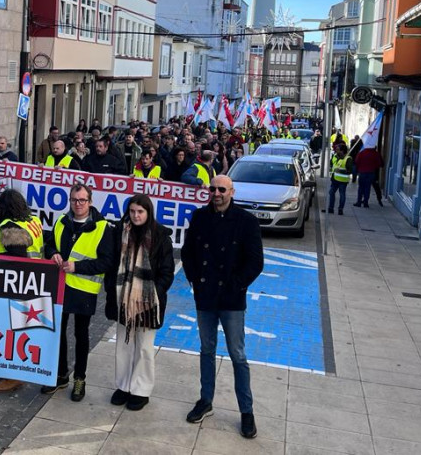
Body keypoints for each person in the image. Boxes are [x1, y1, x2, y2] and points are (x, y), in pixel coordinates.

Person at [182, 175, 263, 439]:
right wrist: (194, 277)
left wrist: (236, 285)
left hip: (231, 299)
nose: (216, 193)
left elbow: (255, 262)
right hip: (205, 296)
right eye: (213, 189)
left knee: (237, 355)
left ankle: (247, 412)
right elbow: (188, 251)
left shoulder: (246, 221)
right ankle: (206, 400)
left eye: (221, 189)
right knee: (207, 349)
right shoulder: (200, 217)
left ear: (231, 191)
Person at [42, 183, 113, 401]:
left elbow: (106, 262)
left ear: (90, 202)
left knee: (81, 335)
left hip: (84, 290)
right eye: (74, 200)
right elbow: (49, 244)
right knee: (58, 332)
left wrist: (77, 267)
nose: (78, 204)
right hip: (61, 287)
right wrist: (52, 253)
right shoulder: (61, 222)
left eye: (82, 200)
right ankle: (61, 374)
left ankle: (80, 379)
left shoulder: (103, 228)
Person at [105, 194, 174, 411]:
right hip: (122, 298)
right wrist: (112, 290)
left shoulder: (161, 235)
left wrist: (152, 293)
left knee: (143, 347)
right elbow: (111, 263)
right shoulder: (119, 232)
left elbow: (167, 271)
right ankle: (124, 386)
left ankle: (141, 390)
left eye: (140, 212)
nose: (136, 216)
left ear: (148, 212)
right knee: (124, 345)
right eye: (132, 211)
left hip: (148, 301)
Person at [0, 189, 45, 393]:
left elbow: (18, 259)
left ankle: (13, 376)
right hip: (37, 282)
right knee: (26, 332)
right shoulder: (33, 221)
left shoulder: (9, 227)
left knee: (13, 332)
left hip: (17, 288)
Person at [324, 142, 353, 215]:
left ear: (342, 151)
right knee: (331, 192)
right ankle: (330, 208)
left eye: (338, 150)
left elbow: (350, 171)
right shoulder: (335, 156)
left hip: (343, 180)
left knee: (342, 194)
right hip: (334, 179)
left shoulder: (348, 159)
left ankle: (340, 209)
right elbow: (332, 164)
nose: (336, 151)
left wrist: (340, 170)